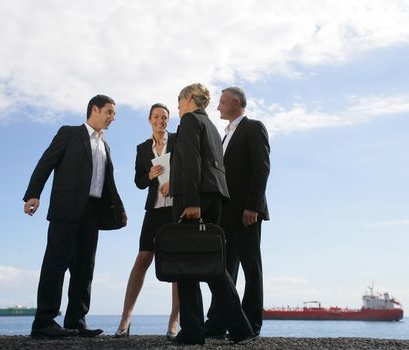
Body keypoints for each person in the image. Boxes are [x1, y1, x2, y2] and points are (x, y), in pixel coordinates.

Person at [23, 94, 127, 338]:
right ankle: (43, 322)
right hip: (66, 208)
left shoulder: (105, 145)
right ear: (95, 109)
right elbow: (45, 163)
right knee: (56, 263)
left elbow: (107, 182)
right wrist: (33, 194)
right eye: (110, 112)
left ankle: (75, 321)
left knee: (84, 268)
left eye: (114, 114)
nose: (113, 118)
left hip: (92, 212)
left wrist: (119, 211)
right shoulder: (69, 133)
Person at [167, 83, 255, 345]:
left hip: (195, 200)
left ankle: (193, 331)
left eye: (179, 99)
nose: (178, 105)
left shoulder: (191, 121)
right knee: (212, 265)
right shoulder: (213, 128)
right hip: (215, 198)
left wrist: (192, 201)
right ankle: (240, 327)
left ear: (188, 99)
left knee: (187, 264)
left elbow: (192, 161)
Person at [204, 87, 270, 337]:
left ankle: (251, 323)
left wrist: (252, 206)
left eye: (221, 102)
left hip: (246, 212)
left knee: (251, 268)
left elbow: (261, 168)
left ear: (235, 102)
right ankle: (219, 323)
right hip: (225, 214)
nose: (218, 107)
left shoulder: (254, 127)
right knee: (224, 268)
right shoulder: (224, 136)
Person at [114, 103, 179, 339]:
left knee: (175, 264)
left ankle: (174, 322)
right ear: (149, 120)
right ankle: (125, 319)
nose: (160, 120)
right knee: (143, 257)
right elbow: (138, 182)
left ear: (168, 121)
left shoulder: (179, 140)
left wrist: (175, 184)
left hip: (176, 210)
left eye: (164, 117)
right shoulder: (142, 148)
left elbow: (189, 169)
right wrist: (149, 175)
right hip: (154, 210)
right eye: (156, 117)